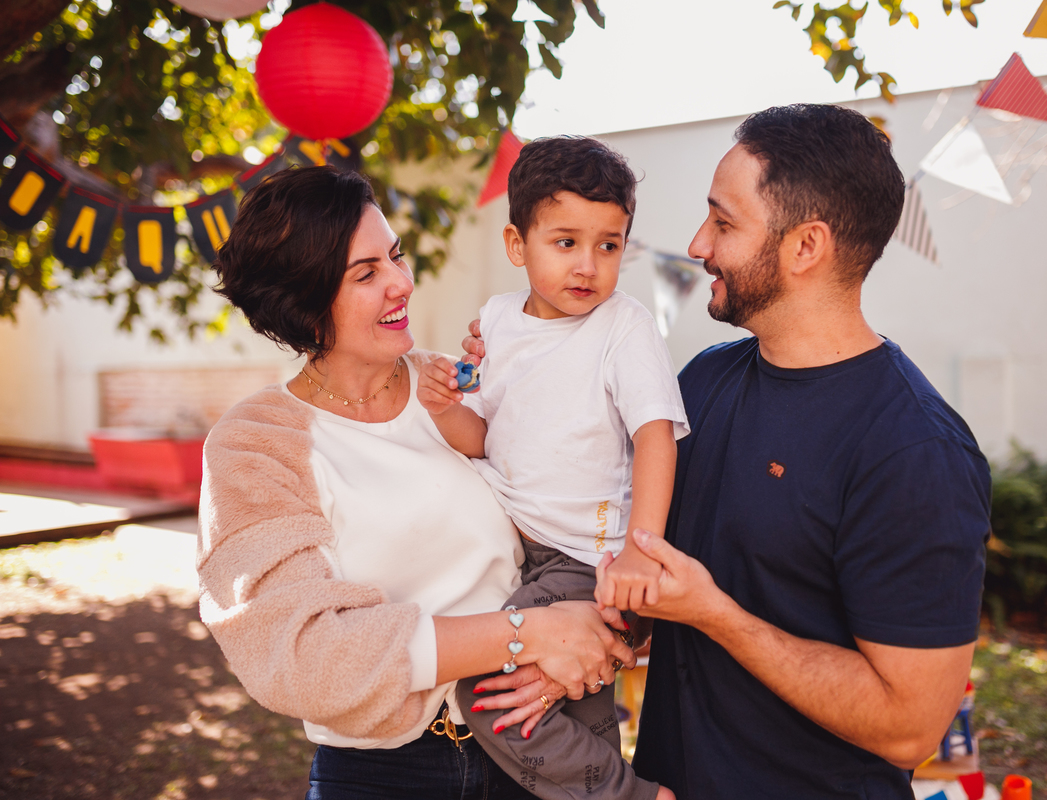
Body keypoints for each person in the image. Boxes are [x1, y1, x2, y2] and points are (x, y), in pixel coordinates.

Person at [463, 104, 991, 799]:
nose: (697, 243)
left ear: (805, 247)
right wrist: (581, 642)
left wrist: (717, 615)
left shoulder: (913, 450)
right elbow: (637, 575)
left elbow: (909, 728)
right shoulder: (704, 385)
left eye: (723, 221)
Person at [197, 165, 635, 800]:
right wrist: (527, 636)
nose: (402, 282)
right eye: (365, 273)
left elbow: (589, 513)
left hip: (541, 742)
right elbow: (301, 658)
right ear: (306, 300)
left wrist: (604, 630)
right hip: (389, 774)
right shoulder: (255, 444)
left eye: (395, 255)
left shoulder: (455, 386)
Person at [417, 136, 685, 800]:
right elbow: (482, 437)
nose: (588, 265)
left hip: (583, 558)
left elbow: (657, 435)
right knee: (573, 706)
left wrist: (638, 554)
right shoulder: (498, 321)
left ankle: (633, 796)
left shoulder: (624, 326)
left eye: (609, 244)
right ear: (518, 245)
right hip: (516, 551)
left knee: (486, 690)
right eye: (566, 242)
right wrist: (443, 407)